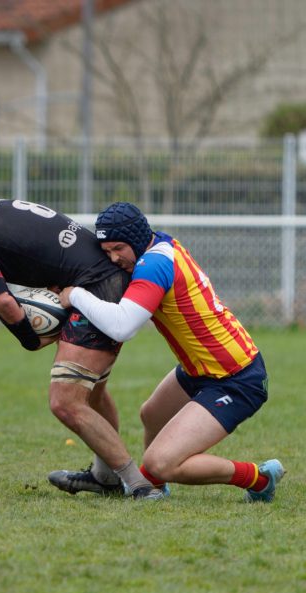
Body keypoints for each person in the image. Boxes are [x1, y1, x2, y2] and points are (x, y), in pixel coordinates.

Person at [0, 174, 162, 499]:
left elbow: (1, 300)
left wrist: (29, 339)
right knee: (92, 393)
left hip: (96, 289)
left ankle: (138, 485)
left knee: (65, 402)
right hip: (104, 281)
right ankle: (105, 476)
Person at [58, 202, 284, 502]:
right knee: (151, 414)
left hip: (236, 378)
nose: (113, 258)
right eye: (106, 250)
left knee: (160, 462)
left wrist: (75, 295)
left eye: (118, 248)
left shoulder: (155, 265)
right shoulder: (159, 245)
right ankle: (154, 485)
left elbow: (122, 326)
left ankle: (258, 478)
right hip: (199, 370)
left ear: (137, 240)